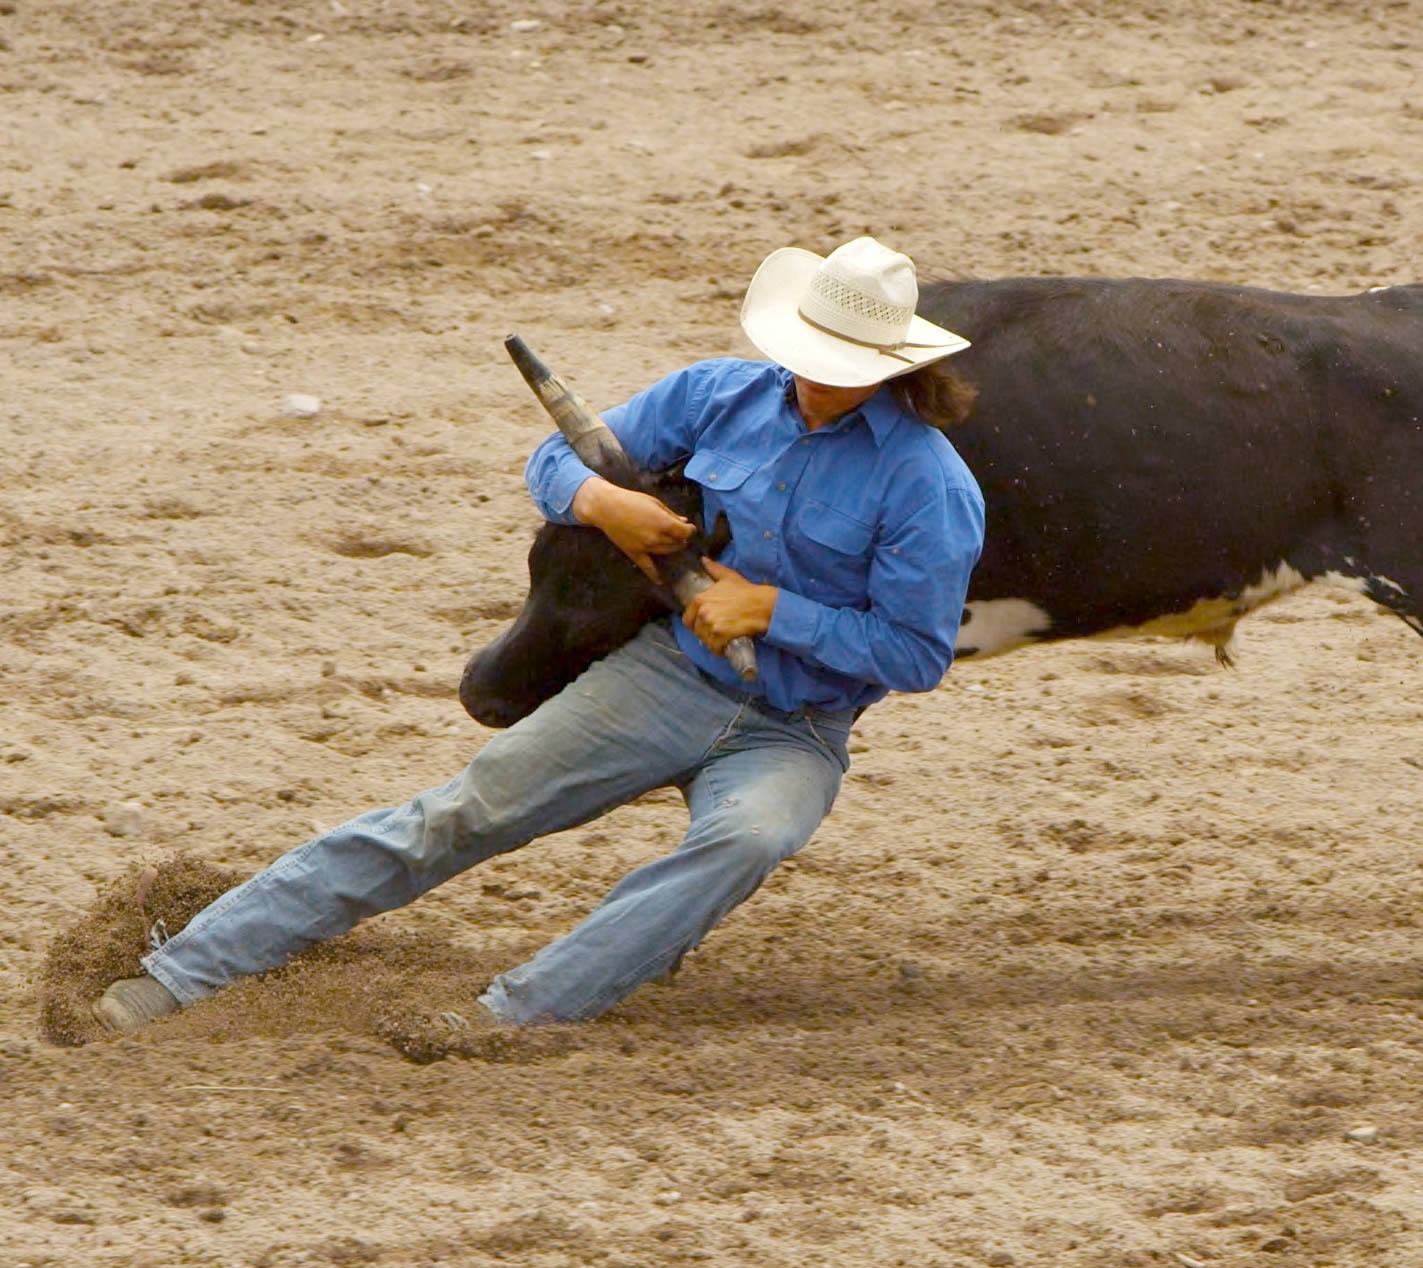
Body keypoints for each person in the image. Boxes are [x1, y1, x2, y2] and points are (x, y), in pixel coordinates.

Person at [94, 236, 986, 1032]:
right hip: (665, 675)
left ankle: (513, 1014)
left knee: (745, 839)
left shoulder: (930, 486)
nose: (809, 372)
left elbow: (915, 653)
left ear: (889, 364)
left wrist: (770, 611)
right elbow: (555, 458)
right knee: (457, 815)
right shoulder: (717, 394)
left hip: (797, 729)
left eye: (834, 359)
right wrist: (607, 505)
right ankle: (181, 973)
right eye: (804, 352)